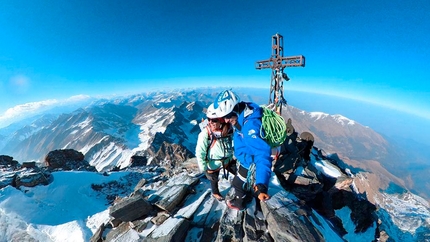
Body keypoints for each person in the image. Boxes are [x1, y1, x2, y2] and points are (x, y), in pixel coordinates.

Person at [213, 89, 272, 210]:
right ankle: (247, 195)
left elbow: (262, 154)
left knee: (237, 185)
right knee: (241, 183)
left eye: (227, 116)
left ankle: (240, 204)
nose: (225, 120)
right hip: (246, 158)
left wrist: (262, 185)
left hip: (248, 162)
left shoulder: (250, 127)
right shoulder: (243, 112)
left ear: (234, 109)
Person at [196, 103, 235, 201]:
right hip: (213, 162)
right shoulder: (205, 133)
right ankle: (215, 192)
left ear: (221, 120)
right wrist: (203, 167)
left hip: (228, 159)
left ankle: (240, 187)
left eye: (213, 120)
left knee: (239, 174)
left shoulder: (229, 130)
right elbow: (200, 151)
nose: (210, 122)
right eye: (209, 119)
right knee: (213, 179)